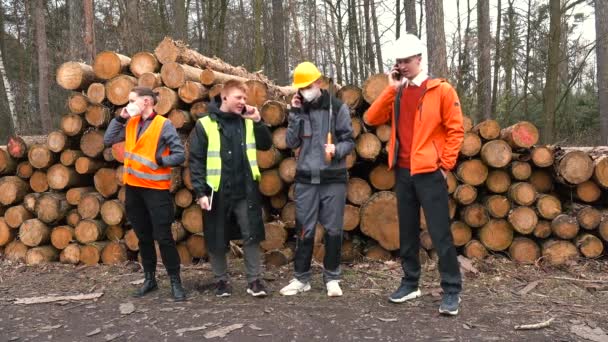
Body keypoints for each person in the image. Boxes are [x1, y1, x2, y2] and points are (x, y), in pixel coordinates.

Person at [364, 33, 465, 315]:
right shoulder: (399, 90)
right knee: (407, 231)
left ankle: (452, 290)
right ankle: (410, 283)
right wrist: (391, 88)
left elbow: (456, 130)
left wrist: (444, 165)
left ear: (419, 59)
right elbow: (371, 118)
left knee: (439, 232)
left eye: (407, 61)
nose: (402, 66)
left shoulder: (442, 90)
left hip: (430, 171)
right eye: (399, 61)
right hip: (404, 170)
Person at [188, 80, 272, 298]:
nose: (242, 102)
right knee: (216, 238)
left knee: (251, 234)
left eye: (244, 98)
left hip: (246, 189)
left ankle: (254, 281)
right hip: (216, 190)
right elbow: (196, 160)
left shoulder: (248, 121)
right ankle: (221, 282)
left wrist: (258, 120)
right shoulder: (205, 124)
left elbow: (266, 144)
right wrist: (200, 192)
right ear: (224, 97)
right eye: (238, 98)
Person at [104, 86, 186, 301]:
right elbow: (107, 139)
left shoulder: (164, 125)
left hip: (156, 192)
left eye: (132, 101)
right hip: (134, 191)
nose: (128, 105)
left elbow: (179, 155)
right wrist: (120, 118)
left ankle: (175, 282)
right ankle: (150, 280)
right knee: (143, 238)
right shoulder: (130, 122)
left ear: (147, 102)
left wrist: (161, 161)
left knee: (164, 238)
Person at [279, 62, 354, 297]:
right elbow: (291, 142)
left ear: (319, 83)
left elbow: (349, 141)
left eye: (308, 86)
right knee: (304, 230)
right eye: (300, 88)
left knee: (333, 230)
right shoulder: (298, 109)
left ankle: (332, 277)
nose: (304, 91)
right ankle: (301, 278)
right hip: (305, 180)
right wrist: (294, 115)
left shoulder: (338, 107)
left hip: (333, 180)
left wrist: (337, 149)